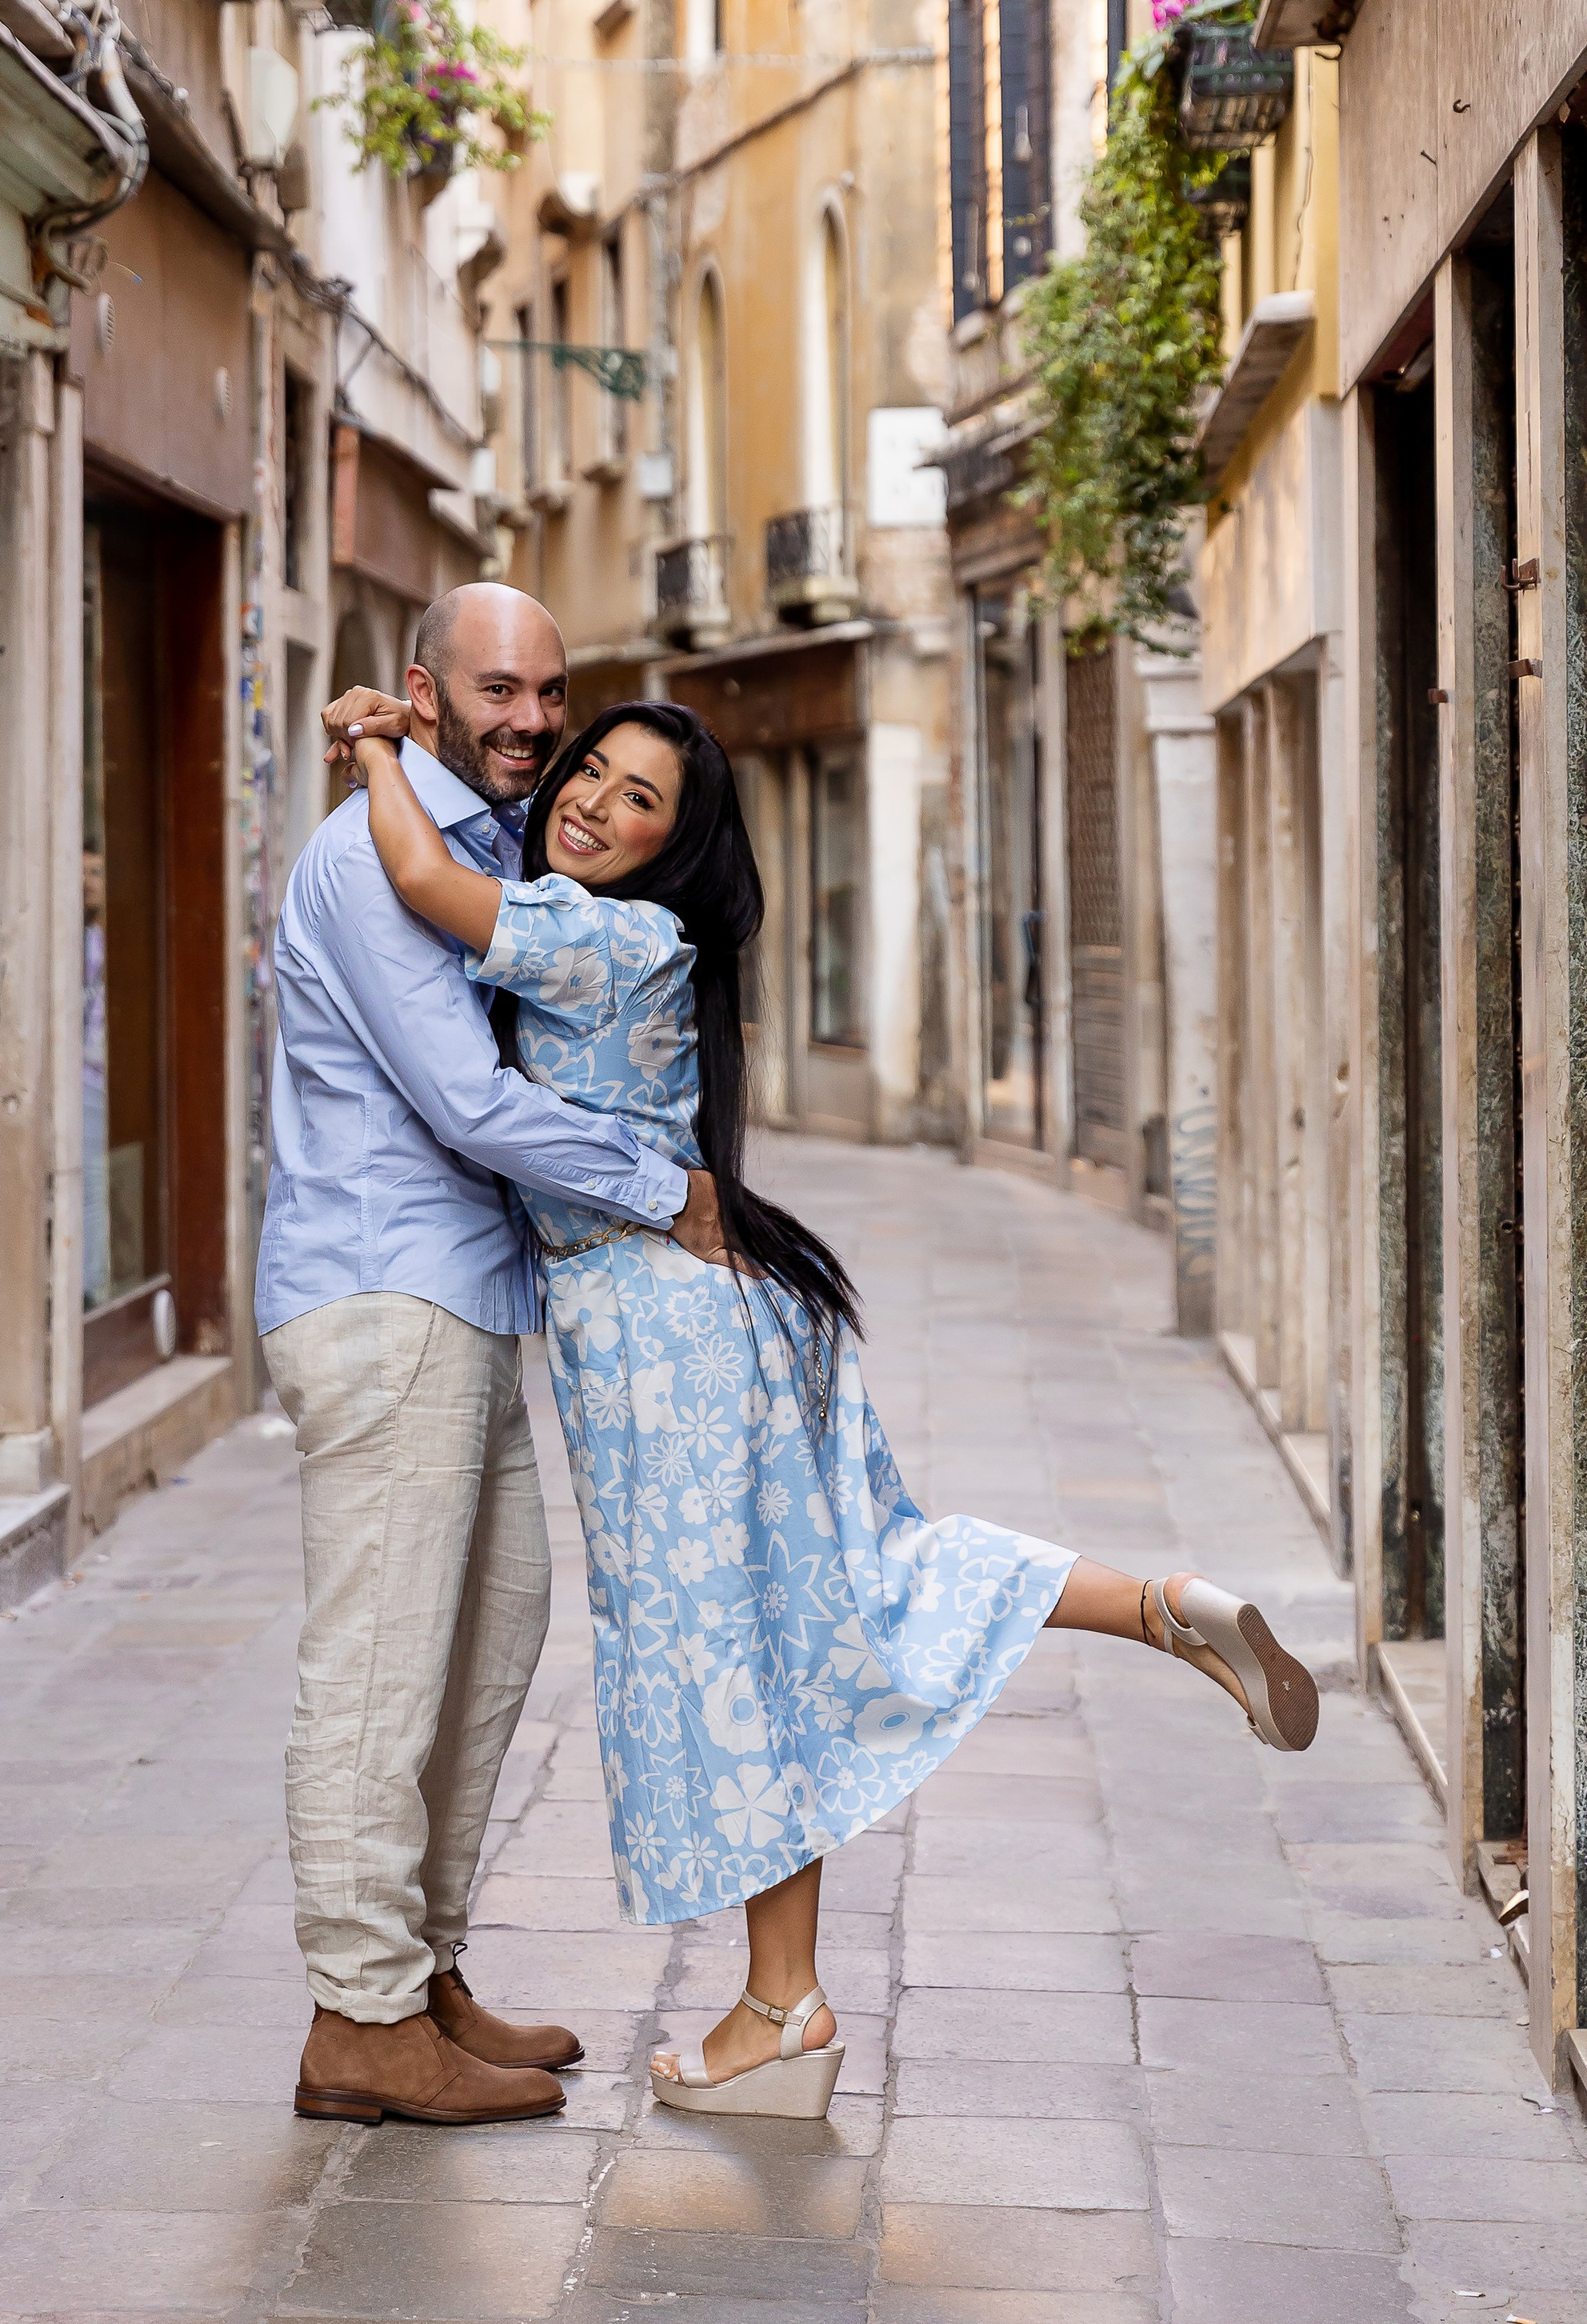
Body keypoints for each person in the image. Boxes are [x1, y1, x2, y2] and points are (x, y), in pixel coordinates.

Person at [332, 696, 1321, 2121]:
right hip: (719, 1322)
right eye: (589, 772)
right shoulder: (635, 941)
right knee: (825, 1607)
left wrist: (370, 744)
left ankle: (781, 2004)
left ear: (681, 847)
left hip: (660, 1343)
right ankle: (1158, 1605)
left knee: (721, 1665)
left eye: (639, 800)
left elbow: (424, 883)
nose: (594, 803)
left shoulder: (611, 939)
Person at [258, 588, 730, 2133]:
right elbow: (465, 1102)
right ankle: (360, 2019)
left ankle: (426, 1971)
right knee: (384, 1671)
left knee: (490, 1638)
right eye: (498, 691)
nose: (535, 722)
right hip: (387, 1293)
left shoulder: (471, 845)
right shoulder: (371, 859)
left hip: (467, 1298)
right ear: (423, 691)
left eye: (552, 692)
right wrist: (666, 1186)